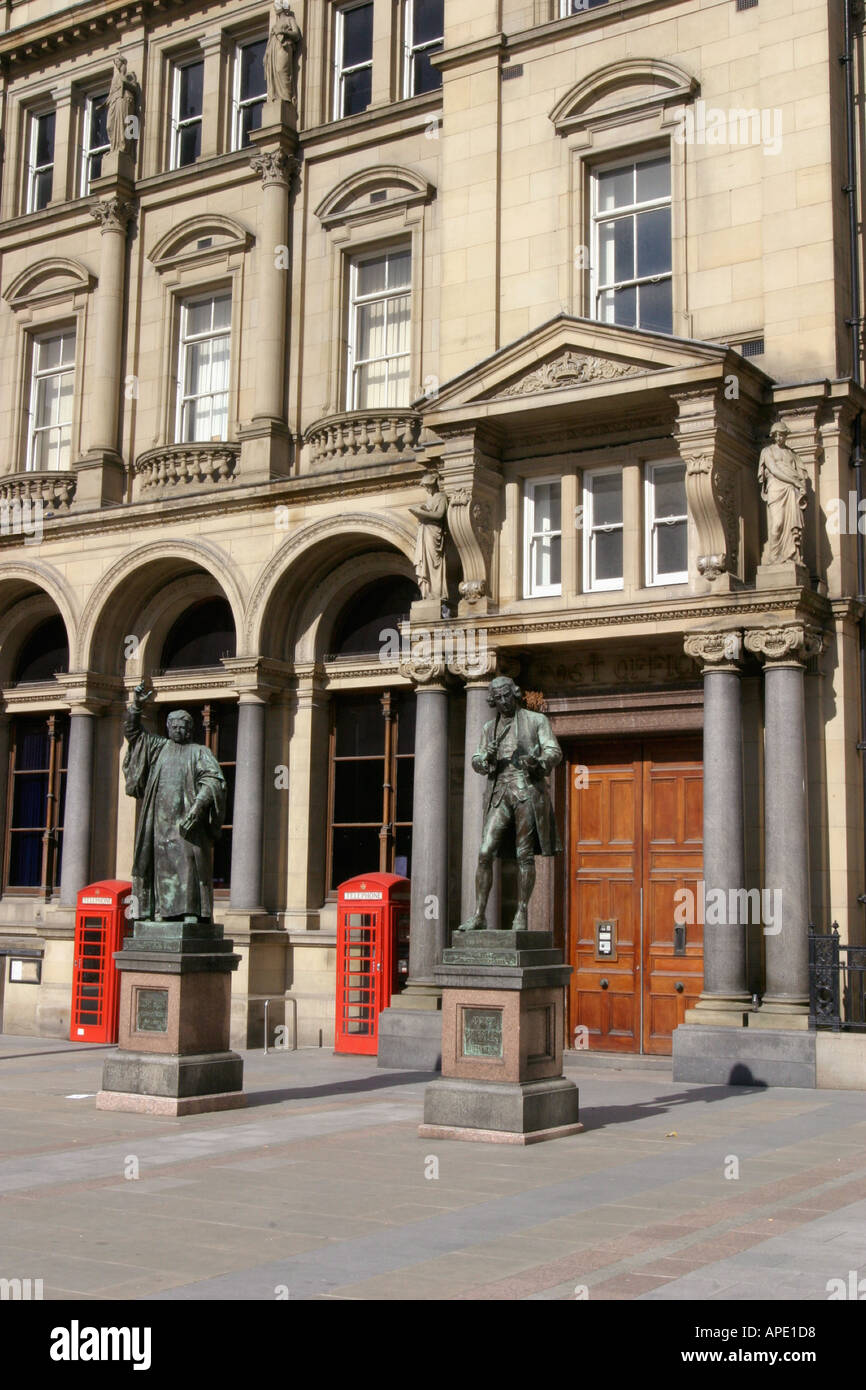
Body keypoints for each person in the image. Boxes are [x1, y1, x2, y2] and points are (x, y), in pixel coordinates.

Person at [461, 676, 563, 932]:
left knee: (524, 855)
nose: (504, 702)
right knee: (485, 852)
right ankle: (479, 915)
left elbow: (554, 751)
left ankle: (522, 912)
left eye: (507, 696)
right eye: (498, 698)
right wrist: (486, 757)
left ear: (515, 694)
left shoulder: (536, 720)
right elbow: (476, 760)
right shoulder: (488, 727)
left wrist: (537, 761)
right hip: (499, 791)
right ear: (492, 700)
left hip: (526, 789)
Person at [123, 682, 226, 922]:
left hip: (187, 821)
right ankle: (160, 911)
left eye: (183, 726)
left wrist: (198, 807)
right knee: (159, 866)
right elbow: (133, 733)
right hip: (158, 821)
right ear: (168, 727)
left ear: (190, 730)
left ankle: (191, 912)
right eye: (174, 726)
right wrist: (136, 705)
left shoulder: (199, 752)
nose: (178, 730)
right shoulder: (158, 747)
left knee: (189, 867)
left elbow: (214, 780)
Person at [757, 422, 807, 565]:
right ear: (773, 436)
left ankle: (792, 556)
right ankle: (774, 558)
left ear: (786, 435)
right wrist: (795, 482)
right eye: (777, 435)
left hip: (791, 490)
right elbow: (774, 469)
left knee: (792, 524)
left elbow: (800, 473)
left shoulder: (791, 453)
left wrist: (800, 484)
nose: (779, 438)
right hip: (776, 487)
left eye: (782, 435)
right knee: (777, 524)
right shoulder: (767, 451)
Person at [409, 471, 448, 601]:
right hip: (425, 531)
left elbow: (439, 515)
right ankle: (428, 592)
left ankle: (437, 593)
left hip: (434, 532)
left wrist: (422, 513)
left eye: (428, 486)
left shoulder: (441, 497)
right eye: (425, 486)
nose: (426, 489)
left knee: (434, 562)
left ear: (433, 485)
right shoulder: (430, 499)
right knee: (425, 562)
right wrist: (423, 510)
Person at [264, 1, 301, 104]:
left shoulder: (290, 19)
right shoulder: (276, 23)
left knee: (281, 70)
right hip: (274, 49)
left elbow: (296, 34)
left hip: (284, 46)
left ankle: (286, 98)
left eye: (277, 6)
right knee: (275, 71)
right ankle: (277, 97)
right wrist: (267, 54)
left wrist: (284, 32)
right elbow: (270, 41)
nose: (276, 8)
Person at [106, 55, 139, 155]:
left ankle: (122, 147)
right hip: (114, 101)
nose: (116, 64)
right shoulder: (115, 77)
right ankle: (114, 147)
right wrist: (104, 103)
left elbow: (135, 88)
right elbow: (111, 93)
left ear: (122, 62)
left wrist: (124, 81)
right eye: (115, 62)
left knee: (123, 123)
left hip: (124, 98)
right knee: (109, 126)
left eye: (117, 61)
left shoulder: (129, 75)